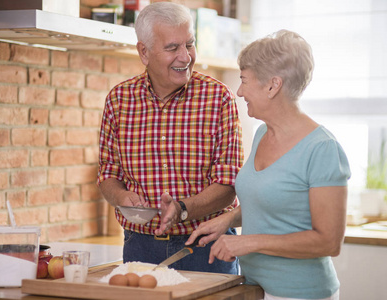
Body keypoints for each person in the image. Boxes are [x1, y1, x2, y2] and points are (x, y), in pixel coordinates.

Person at [186, 30, 351, 299]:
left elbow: (328, 241)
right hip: (253, 286)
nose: (239, 92)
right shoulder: (263, 133)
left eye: (244, 81)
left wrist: (248, 242)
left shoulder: (322, 149)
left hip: (300, 293)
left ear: (273, 86)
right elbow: (271, 199)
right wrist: (229, 218)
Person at [97, 2, 243, 274]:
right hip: (139, 246)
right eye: (172, 47)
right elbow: (108, 174)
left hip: (206, 246)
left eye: (189, 44)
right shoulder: (118, 100)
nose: (185, 57)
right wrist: (121, 196)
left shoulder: (218, 98)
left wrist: (182, 209)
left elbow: (228, 184)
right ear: (144, 51)